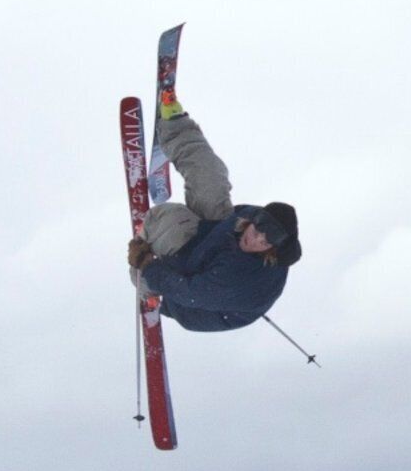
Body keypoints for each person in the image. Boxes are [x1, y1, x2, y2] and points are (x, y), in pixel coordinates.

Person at [128, 102, 302, 333]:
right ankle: (174, 125)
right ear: (257, 218)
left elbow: (189, 292)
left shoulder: (239, 280)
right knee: (211, 179)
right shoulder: (248, 216)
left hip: (194, 302)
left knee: (170, 219)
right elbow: (230, 216)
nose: (257, 239)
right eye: (258, 228)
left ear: (273, 249)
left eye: (266, 242)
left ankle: (146, 288)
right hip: (213, 243)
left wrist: (147, 266)